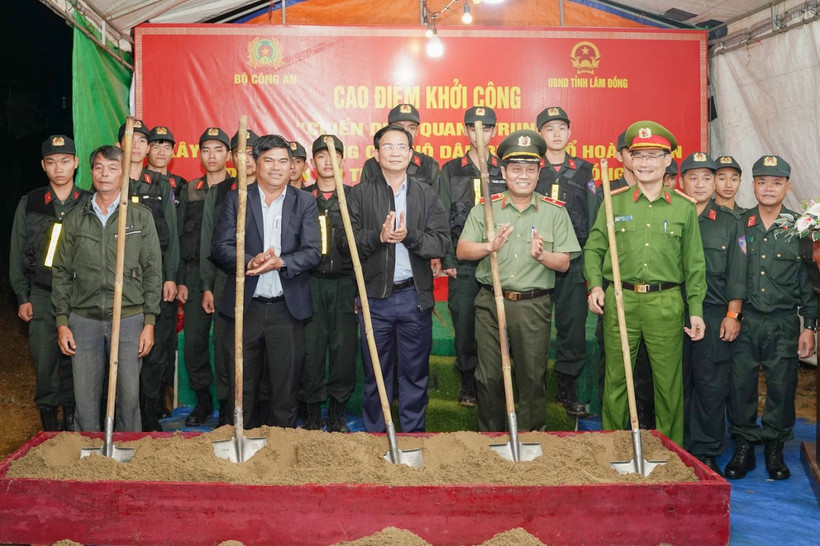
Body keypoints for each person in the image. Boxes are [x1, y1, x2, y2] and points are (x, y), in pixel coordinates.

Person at [584, 121, 707, 446]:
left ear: (668, 160)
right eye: (639, 155)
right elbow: (594, 249)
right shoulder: (613, 201)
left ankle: (669, 453)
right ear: (628, 159)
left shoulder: (683, 207)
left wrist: (695, 310)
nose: (645, 163)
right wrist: (596, 285)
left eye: (654, 155)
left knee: (668, 385)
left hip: (665, 305)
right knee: (616, 381)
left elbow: (694, 265)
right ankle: (614, 447)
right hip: (620, 302)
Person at [458, 130, 581, 432]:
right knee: (488, 376)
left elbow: (563, 263)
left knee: (530, 376)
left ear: (539, 172)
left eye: (529, 169)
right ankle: (490, 440)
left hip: (532, 306)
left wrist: (543, 256)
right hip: (490, 302)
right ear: (503, 172)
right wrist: (489, 247)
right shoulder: (486, 209)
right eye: (515, 169)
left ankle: (528, 441)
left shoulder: (555, 213)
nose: (522, 176)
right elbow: (463, 250)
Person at [211, 134, 321, 428]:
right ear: (255, 164)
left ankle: (279, 457)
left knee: (285, 390)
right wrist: (248, 261)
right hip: (245, 308)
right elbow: (220, 246)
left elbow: (312, 252)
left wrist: (281, 262)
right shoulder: (237, 198)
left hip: (288, 309)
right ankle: (243, 456)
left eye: (283, 161)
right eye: (269, 160)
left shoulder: (305, 202)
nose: (276, 168)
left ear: (292, 167)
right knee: (241, 388)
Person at [51, 145, 162, 432]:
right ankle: (88, 459)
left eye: (112, 168)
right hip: (83, 319)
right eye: (99, 167)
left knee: (128, 396)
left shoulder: (139, 217)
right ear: (91, 172)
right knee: (84, 398)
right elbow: (61, 272)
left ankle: (127, 460)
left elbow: (153, 272)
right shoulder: (75, 218)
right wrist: (63, 322)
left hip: (128, 318)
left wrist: (149, 322)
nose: (105, 174)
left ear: (123, 173)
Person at [347, 124, 449, 433]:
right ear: (376, 154)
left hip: (413, 298)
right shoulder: (359, 194)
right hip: (374, 298)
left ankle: (411, 437)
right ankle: (378, 435)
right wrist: (377, 236)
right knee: (376, 373)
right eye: (387, 146)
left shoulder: (426, 193)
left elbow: (442, 241)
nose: (394, 152)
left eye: (401, 147)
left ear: (411, 154)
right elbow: (344, 243)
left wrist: (411, 236)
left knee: (414, 373)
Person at [725, 155, 817, 480]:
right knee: (741, 385)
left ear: (787, 187)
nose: (768, 188)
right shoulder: (741, 224)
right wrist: (732, 314)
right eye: (762, 181)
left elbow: (807, 281)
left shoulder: (799, 228)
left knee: (782, 385)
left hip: (782, 322)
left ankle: (775, 448)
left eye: (776, 182)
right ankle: (745, 445)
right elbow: (733, 275)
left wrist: (810, 326)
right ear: (753, 185)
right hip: (746, 320)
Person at [9, 135, 90, 431]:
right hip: (42, 294)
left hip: (80, 296)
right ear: (44, 166)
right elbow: (17, 251)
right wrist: (22, 295)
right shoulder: (30, 202)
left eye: (65, 161)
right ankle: (48, 421)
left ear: (76, 164)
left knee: (75, 359)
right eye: (52, 162)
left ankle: (70, 419)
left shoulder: (89, 203)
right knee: (45, 360)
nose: (59, 168)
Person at [678, 152, 746, 475]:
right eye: (694, 177)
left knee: (711, 385)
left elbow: (737, 272)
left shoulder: (730, 223)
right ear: (682, 181)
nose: (701, 184)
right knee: (676, 381)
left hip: (715, 312)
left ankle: (705, 451)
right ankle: (677, 445)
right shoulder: (673, 213)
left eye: (708, 178)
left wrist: (734, 315)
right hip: (674, 312)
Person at [436, 106, 506, 407]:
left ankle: (499, 383)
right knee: (464, 325)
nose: (481, 133)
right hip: (463, 264)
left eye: (487, 128)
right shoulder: (451, 169)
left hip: (500, 263)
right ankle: (467, 383)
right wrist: (448, 259)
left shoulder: (505, 168)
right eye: (474, 127)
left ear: (493, 132)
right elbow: (439, 216)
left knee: (499, 324)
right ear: (466, 131)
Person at [118, 119, 179, 432]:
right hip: (120, 283)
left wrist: (170, 276)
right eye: (132, 140)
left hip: (155, 281)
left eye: (144, 141)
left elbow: (172, 236)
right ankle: (120, 413)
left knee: (155, 350)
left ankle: (149, 410)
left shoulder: (161, 185)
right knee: (120, 348)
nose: (139, 146)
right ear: (121, 146)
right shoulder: (109, 182)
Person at [534, 106, 595, 417]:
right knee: (534, 328)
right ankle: (533, 389)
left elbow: (594, 216)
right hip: (538, 260)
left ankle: (566, 390)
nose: (556, 134)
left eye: (561, 128)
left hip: (573, 261)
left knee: (571, 328)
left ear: (570, 133)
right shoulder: (531, 167)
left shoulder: (585, 170)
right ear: (539, 134)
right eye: (549, 129)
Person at [176, 127, 239, 427]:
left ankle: (228, 408)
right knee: (195, 344)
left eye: (218, 150)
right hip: (194, 275)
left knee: (227, 345)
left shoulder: (237, 189)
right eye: (206, 150)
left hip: (227, 277)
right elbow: (179, 238)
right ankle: (203, 402)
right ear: (199, 155)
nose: (212, 155)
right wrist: (182, 281)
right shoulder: (190, 189)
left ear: (229, 155)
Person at [592, 129, 655, 428]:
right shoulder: (608, 194)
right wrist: (596, 284)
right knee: (613, 369)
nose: (638, 158)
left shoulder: (659, 196)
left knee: (646, 370)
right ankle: (614, 432)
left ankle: (643, 425)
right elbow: (595, 244)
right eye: (632, 152)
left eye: (644, 153)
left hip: (652, 302)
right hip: (618, 295)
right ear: (621, 156)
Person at [298, 134, 357, 432]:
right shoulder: (302, 198)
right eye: (321, 156)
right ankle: (311, 413)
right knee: (311, 350)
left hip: (345, 285)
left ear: (343, 162)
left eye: (333, 156)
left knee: (343, 351)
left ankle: (336, 413)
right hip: (311, 285)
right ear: (313, 163)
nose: (327, 162)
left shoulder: (353, 198)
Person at [146, 125, 186, 419]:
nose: (161, 151)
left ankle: (159, 402)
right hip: (142, 276)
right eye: (155, 145)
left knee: (164, 344)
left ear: (173, 152)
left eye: (166, 146)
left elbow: (179, 235)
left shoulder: (181, 186)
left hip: (168, 276)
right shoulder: (132, 182)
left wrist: (177, 276)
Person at [359, 104, 440, 188]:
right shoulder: (372, 166)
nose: (405, 132)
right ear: (389, 128)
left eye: (411, 128)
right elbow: (364, 198)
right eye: (399, 127)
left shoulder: (429, 166)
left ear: (417, 131)